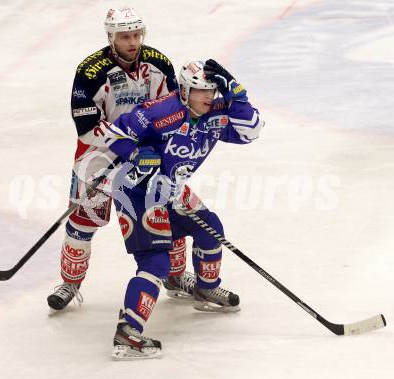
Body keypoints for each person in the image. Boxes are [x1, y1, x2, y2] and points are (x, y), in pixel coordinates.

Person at [72, 59, 264, 359]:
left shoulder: (213, 112)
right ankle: (128, 334)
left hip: (170, 191)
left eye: (213, 91)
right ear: (185, 90)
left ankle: (205, 287)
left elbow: (251, 132)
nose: (208, 97)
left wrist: (239, 96)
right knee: (155, 262)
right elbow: (114, 133)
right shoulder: (161, 111)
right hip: (135, 192)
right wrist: (135, 152)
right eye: (201, 91)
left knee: (210, 229)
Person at [47, 7, 196, 309]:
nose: (132, 42)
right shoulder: (90, 71)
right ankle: (69, 283)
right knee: (82, 222)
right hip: (98, 157)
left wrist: (155, 148)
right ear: (111, 37)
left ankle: (175, 276)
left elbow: (174, 112)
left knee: (165, 215)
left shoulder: (158, 63)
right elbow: (88, 126)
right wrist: (127, 147)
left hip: (149, 157)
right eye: (125, 36)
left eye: (136, 35)